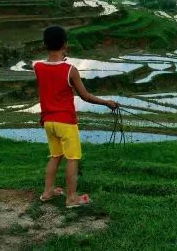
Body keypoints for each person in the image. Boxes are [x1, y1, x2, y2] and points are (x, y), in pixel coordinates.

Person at [34, 26, 119, 208]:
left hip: (48, 121)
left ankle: (47, 192)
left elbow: (47, 85)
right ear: (65, 44)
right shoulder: (70, 70)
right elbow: (85, 96)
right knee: (72, 158)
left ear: (44, 44)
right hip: (65, 122)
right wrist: (108, 103)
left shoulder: (38, 67)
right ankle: (72, 198)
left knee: (55, 156)